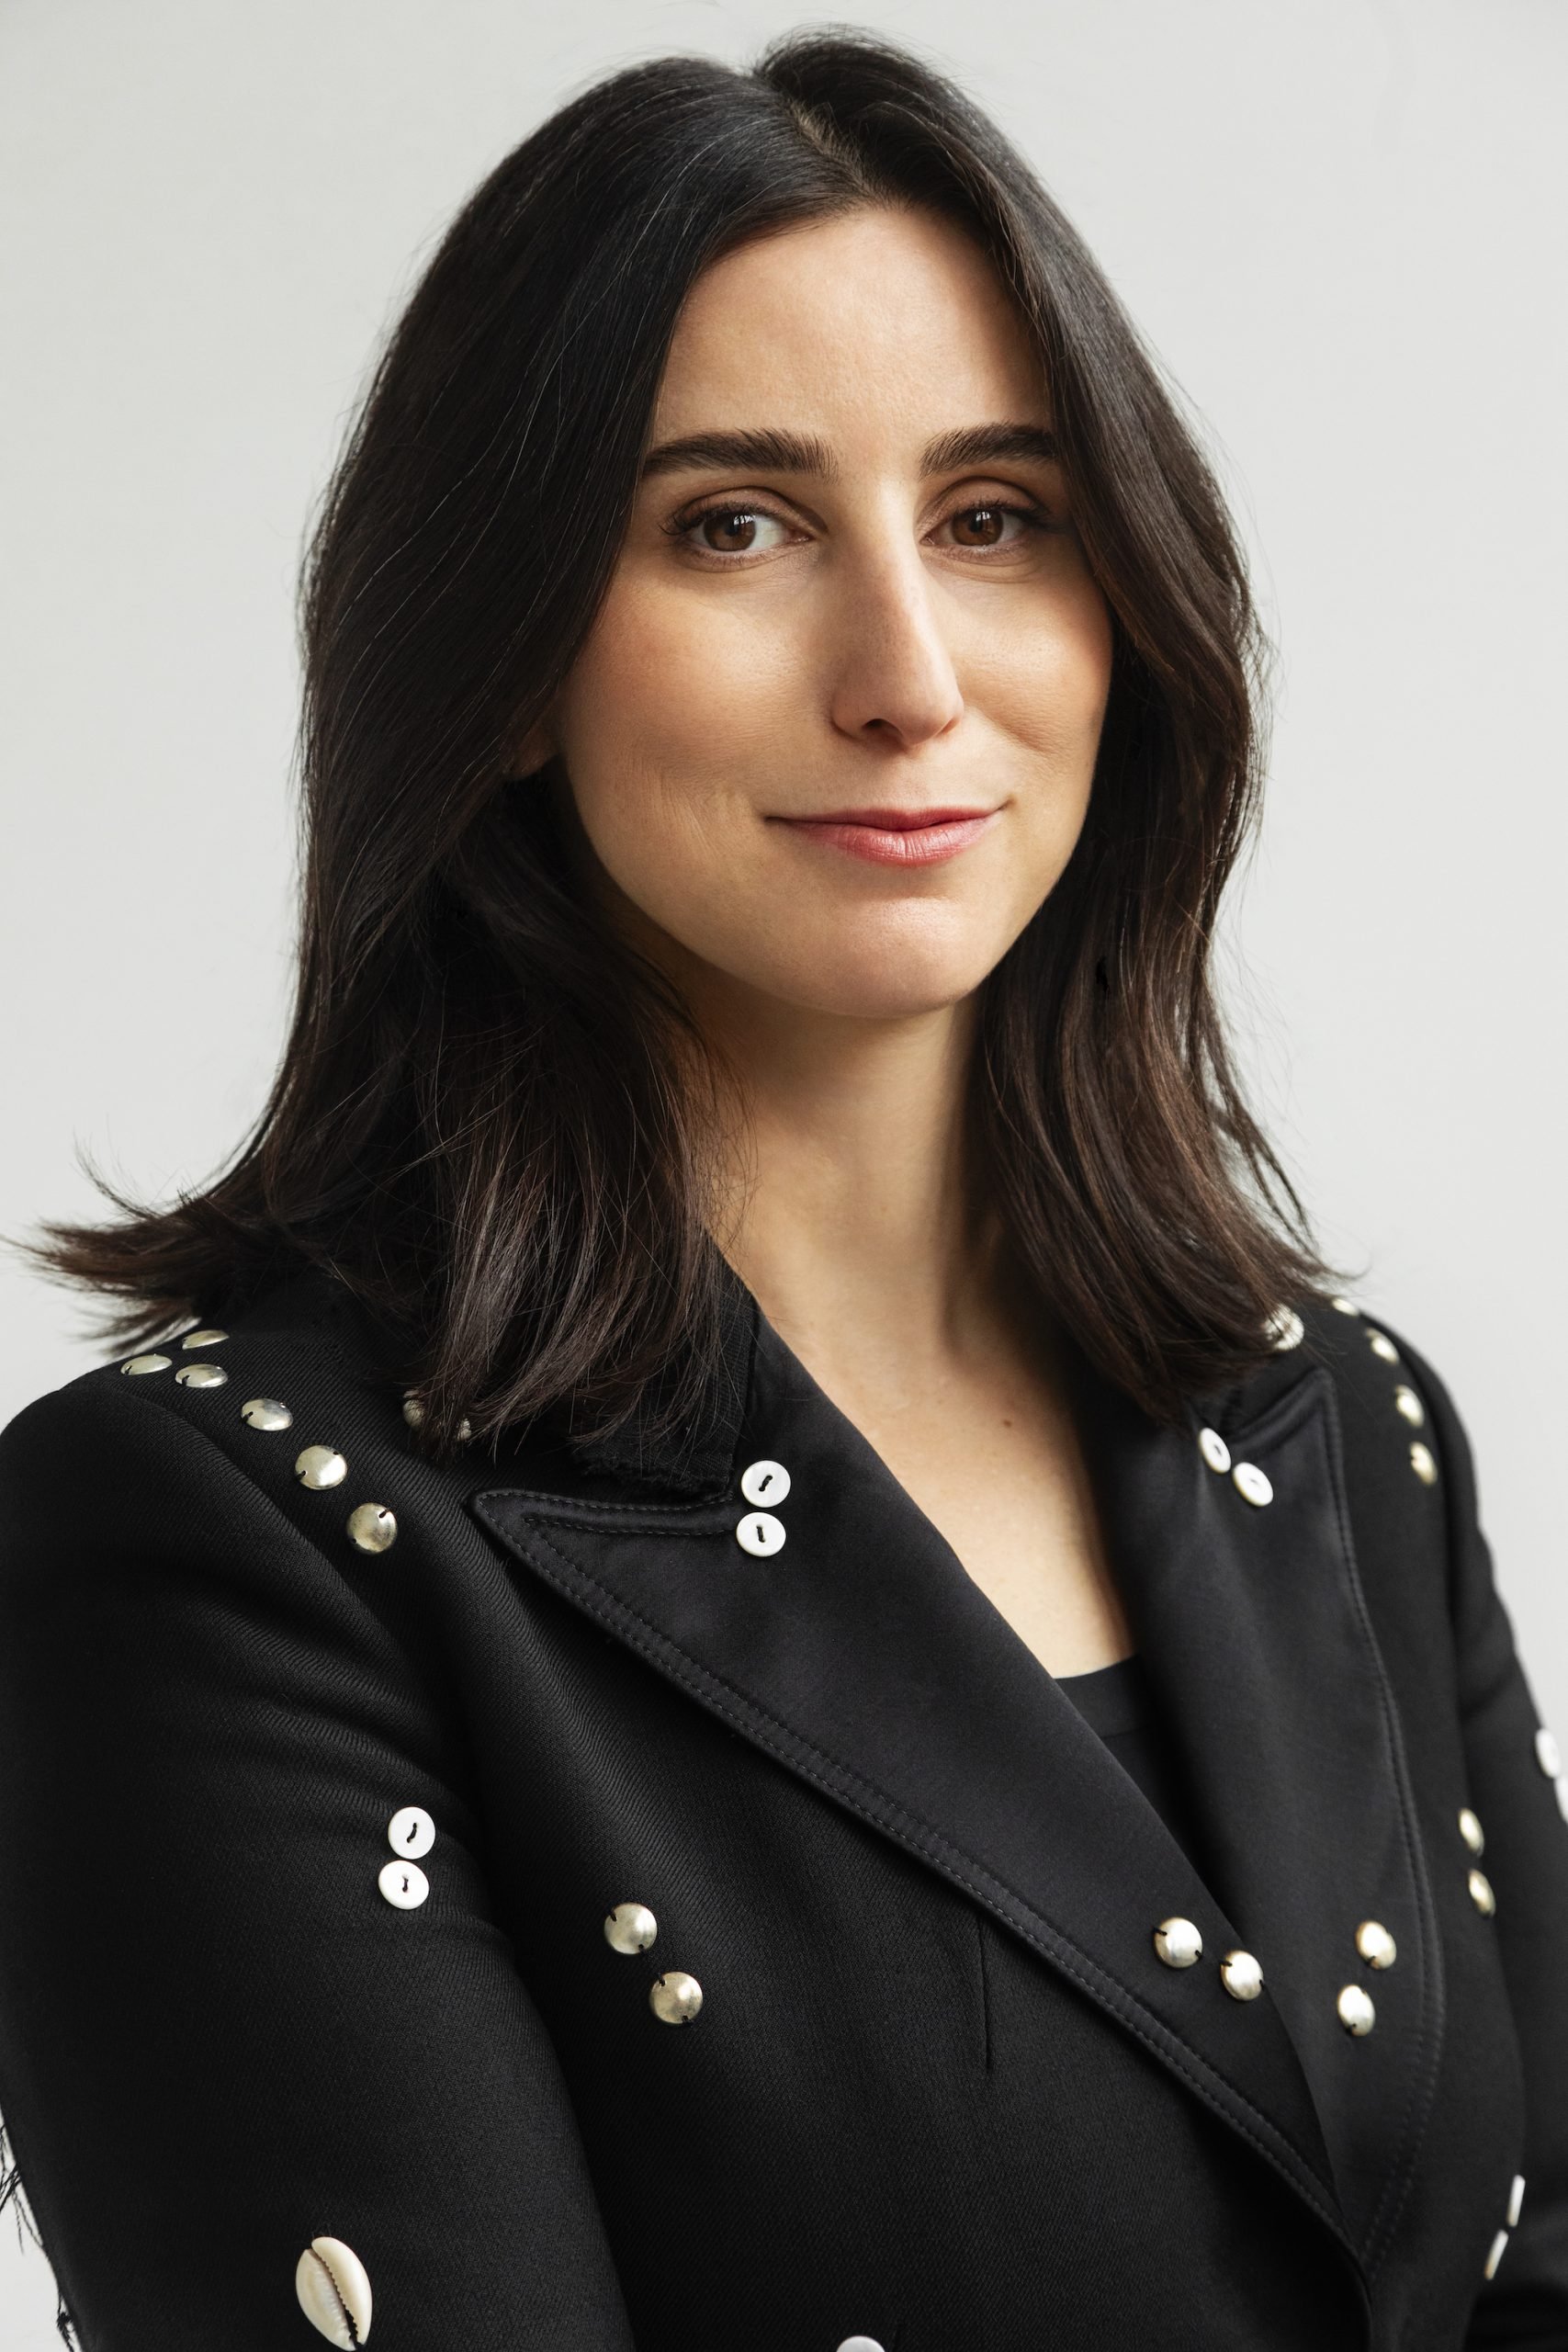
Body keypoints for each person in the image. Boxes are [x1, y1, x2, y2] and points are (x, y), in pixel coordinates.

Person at [0, 28, 1562, 2352]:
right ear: (504, 657)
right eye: (731, 523)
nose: (905, 675)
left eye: (995, 515)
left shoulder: (1339, 1429)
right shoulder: (213, 1544)